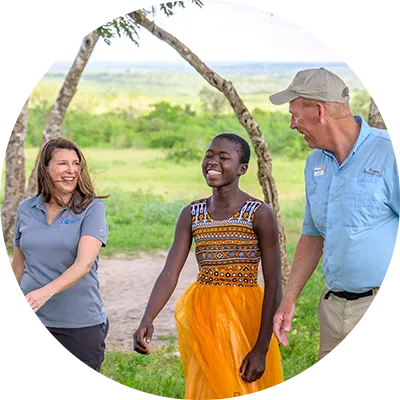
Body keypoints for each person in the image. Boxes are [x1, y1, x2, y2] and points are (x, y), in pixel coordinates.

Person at [133, 133, 284, 399]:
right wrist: (148, 317)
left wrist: (262, 348)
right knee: (208, 386)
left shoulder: (258, 213)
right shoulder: (192, 213)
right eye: (208, 155)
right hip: (203, 313)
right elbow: (170, 272)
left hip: (244, 314)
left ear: (242, 168)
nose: (212, 162)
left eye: (223, 157)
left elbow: (273, 283)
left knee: (242, 388)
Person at [270, 67, 400, 368]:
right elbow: (313, 235)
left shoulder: (391, 152)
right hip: (332, 311)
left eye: (295, 115)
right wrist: (288, 301)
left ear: (319, 110)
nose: (292, 125)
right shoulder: (315, 163)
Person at [9, 138, 109, 376]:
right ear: (45, 168)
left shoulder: (92, 209)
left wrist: (44, 292)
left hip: (78, 326)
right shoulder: (26, 208)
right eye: (62, 163)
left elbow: (83, 264)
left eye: (76, 164)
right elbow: (17, 267)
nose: (71, 170)